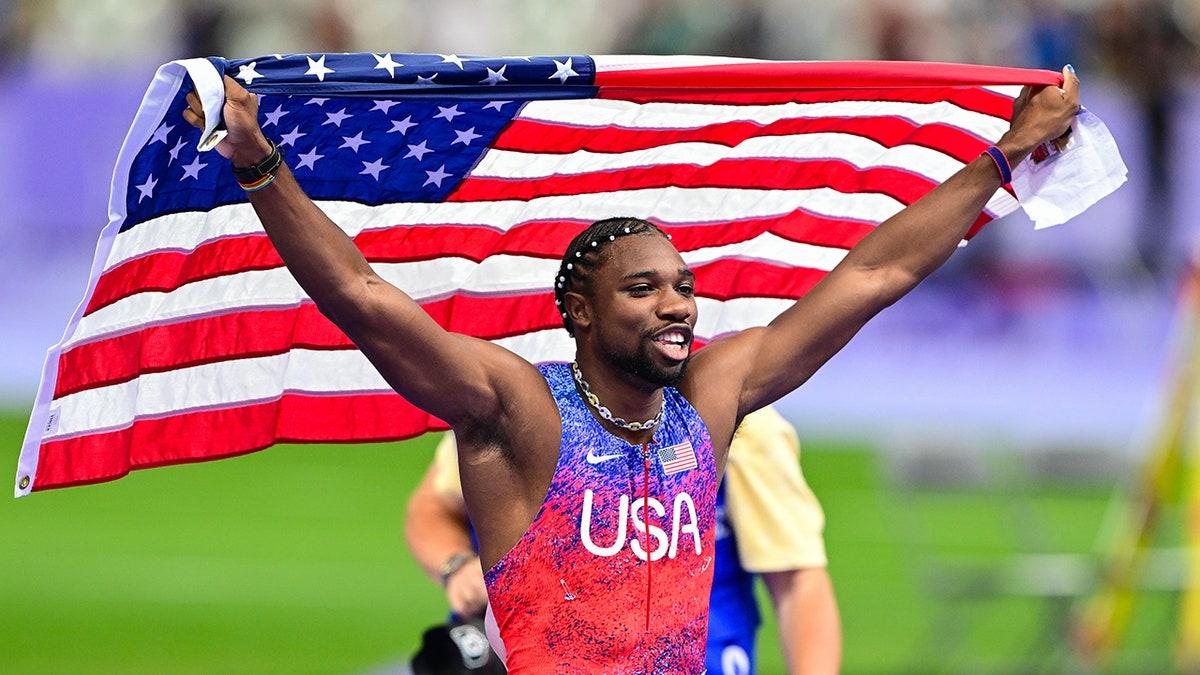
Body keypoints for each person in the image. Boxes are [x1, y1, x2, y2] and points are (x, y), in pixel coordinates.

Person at [183, 67, 1079, 672]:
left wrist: (999, 160)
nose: (677, 305)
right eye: (643, 290)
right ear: (579, 311)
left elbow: (872, 273)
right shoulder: (515, 410)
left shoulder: (712, 401)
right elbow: (363, 295)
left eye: (683, 287)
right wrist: (260, 164)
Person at [406, 406, 840, 674]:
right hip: (527, 657)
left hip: (695, 658)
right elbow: (433, 507)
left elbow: (798, 580)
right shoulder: (516, 404)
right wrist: (456, 567)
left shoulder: (742, 421)